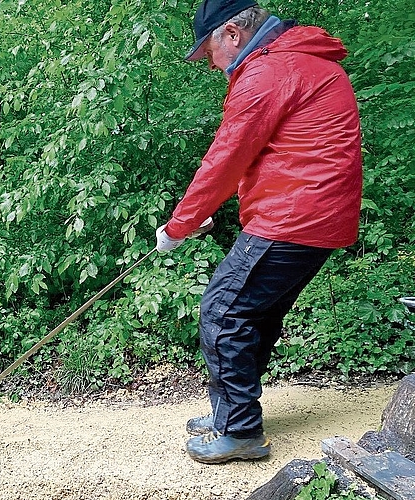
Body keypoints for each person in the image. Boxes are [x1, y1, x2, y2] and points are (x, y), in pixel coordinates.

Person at [154, 0, 362, 463]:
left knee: (223, 312)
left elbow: (226, 158)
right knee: (254, 314)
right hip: (317, 216)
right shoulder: (302, 63)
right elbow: (271, 155)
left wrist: (179, 226)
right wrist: (203, 212)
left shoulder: (268, 72)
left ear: (232, 33)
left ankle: (240, 430)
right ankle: (233, 411)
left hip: (294, 216)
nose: (208, 64)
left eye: (207, 51)